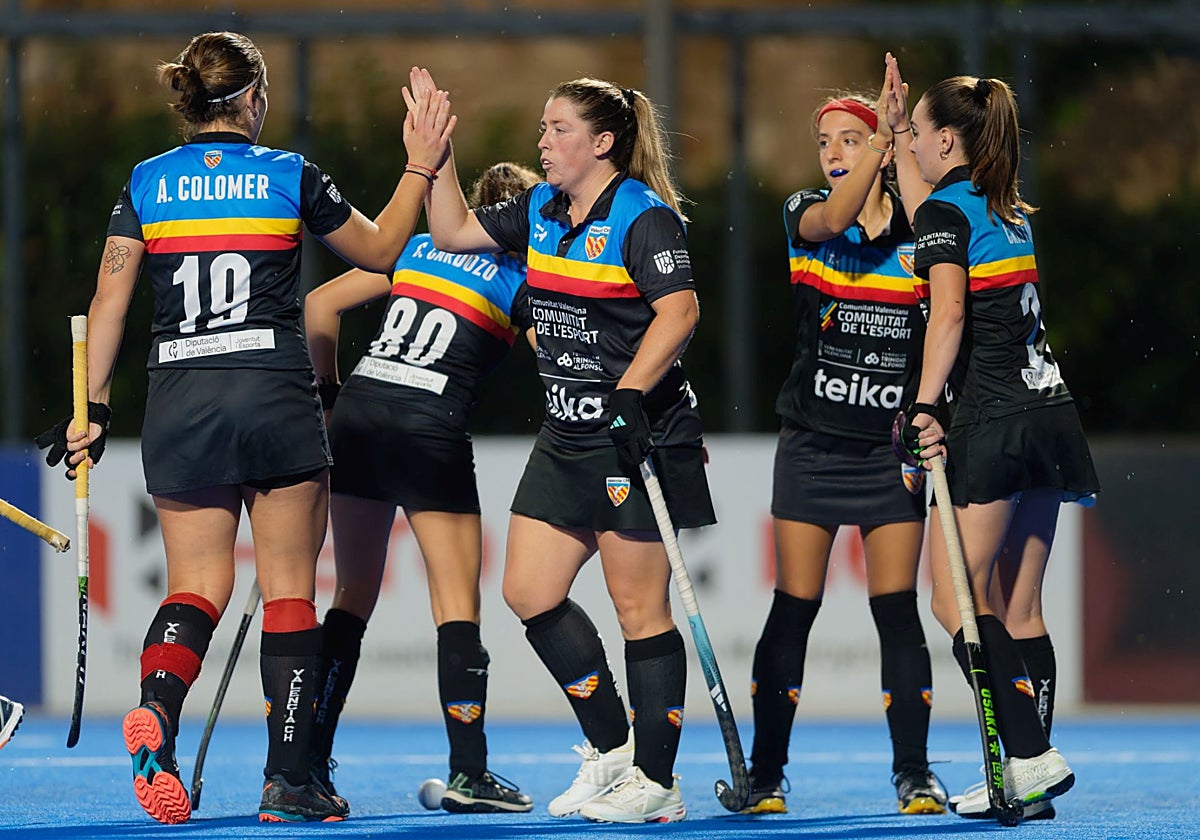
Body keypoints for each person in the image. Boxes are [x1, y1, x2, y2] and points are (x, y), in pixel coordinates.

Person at [34, 31, 454, 825]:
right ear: (253, 97)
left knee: (197, 585)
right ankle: (289, 781)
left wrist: (93, 409)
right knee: (290, 590)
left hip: (180, 401)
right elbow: (383, 249)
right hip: (272, 395)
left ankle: (158, 708)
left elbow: (108, 304)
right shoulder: (287, 173)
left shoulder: (147, 181)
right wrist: (420, 165)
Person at [412, 66, 715, 824]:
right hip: (566, 433)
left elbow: (680, 312)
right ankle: (613, 751)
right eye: (544, 128)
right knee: (529, 591)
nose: (542, 142)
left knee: (638, 608)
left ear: (602, 142)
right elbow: (450, 233)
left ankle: (657, 783)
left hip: (634, 434)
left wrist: (631, 393)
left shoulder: (643, 216)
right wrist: (434, 158)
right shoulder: (540, 209)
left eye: (559, 130)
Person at [890, 57, 1099, 821]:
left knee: (952, 599)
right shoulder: (1001, 208)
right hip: (1051, 414)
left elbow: (947, 313)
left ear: (947, 140)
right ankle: (1028, 778)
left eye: (918, 132)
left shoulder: (946, 215)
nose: (911, 143)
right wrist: (894, 133)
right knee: (1019, 606)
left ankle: (1030, 755)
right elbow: (932, 215)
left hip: (994, 420)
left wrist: (923, 406)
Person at [302, 161, 541, 813]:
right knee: (456, 604)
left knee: (350, 597)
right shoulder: (520, 276)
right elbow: (559, 358)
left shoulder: (417, 248)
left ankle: (309, 765)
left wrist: (328, 400)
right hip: (430, 425)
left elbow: (319, 304)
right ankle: (469, 772)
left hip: (359, 417)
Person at [743, 60, 947, 817]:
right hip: (813, 445)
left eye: (850, 139)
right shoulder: (807, 214)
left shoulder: (920, 235)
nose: (833, 152)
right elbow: (834, 218)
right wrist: (880, 145)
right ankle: (766, 774)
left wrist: (896, 139)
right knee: (794, 608)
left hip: (890, 453)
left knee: (897, 611)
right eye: (824, 141)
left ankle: (915, 773)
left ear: (883, 150)